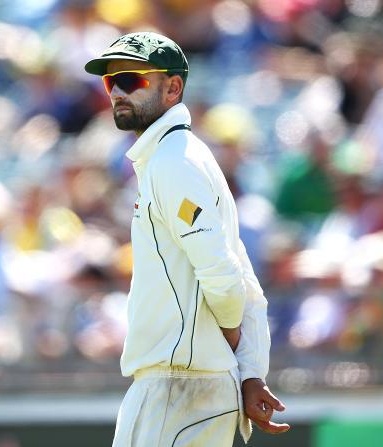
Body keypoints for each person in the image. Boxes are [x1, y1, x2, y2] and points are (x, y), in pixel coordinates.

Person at [84, 32, 290, 446]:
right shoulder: (176, 156)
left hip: (180, 384)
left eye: (132, 80)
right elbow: (242, 274)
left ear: (173, 87)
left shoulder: (173, 162)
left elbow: (225, 276)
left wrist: (231, 345)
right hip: (186, 383)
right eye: (112, 82)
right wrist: (249, 370)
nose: (118, 92)